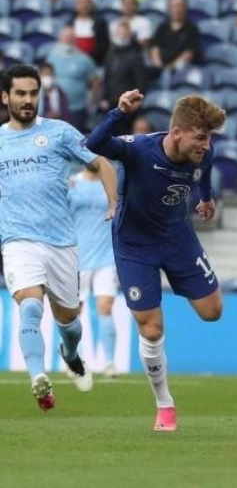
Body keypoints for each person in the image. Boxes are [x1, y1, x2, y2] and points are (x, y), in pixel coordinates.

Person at [84, 89, 225, 431]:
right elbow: (94, 144)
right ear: (177, 133)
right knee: (151, 327)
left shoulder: (203, 153)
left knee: (213, 311)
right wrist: (119, 112)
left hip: (178, 239)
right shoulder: (138, 149)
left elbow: (203, 172)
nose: (206, 145)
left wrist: (205, 198)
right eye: (200, 137)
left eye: (208, 138)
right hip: (135, 245)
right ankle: (165, 405)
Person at [0, 64, 117, 411]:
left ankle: (70, 352)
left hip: (62, 243)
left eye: (33, 93)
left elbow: (102, 163)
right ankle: (39, 378)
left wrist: (114, 202)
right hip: (18, 240)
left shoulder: (59, 132)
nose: (27, 100)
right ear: (5, 97)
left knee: (69, 322)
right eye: (20, 93)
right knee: (30, 305)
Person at [68, 164, 121, 377]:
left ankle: (109, 362)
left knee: (105, 307)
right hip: (77, 257)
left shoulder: (110, 184)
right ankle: (75, 361)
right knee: (74, 312)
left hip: (107, 257)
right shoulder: (72, 184)